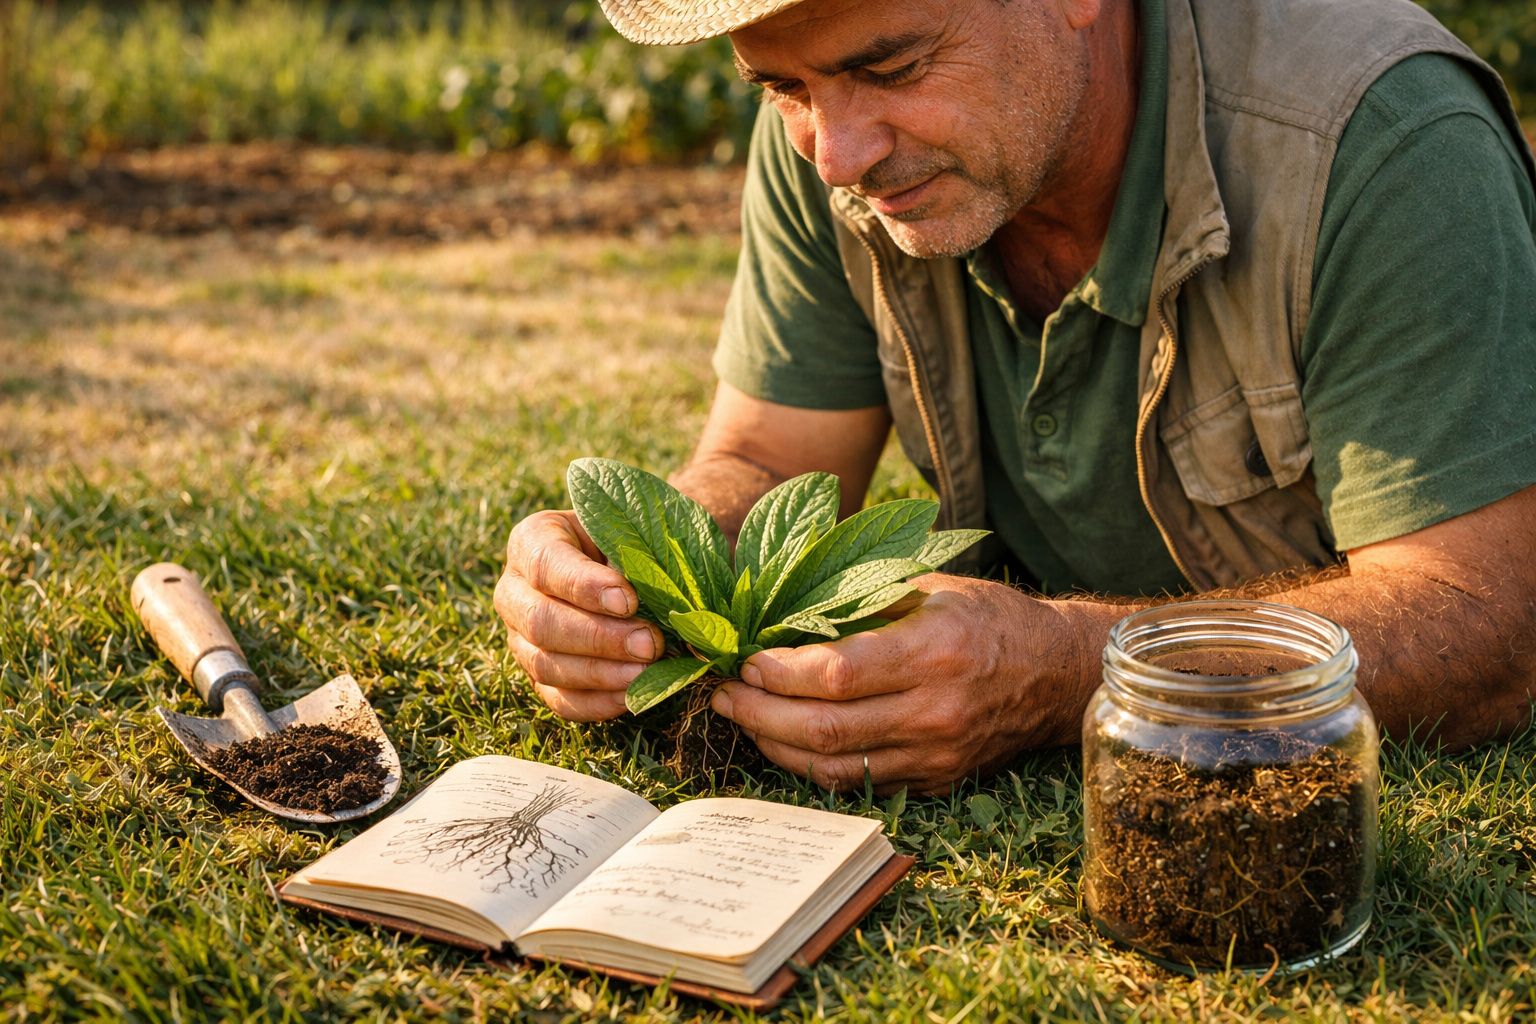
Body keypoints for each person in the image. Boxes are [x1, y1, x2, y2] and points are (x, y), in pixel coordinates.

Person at [495, 0, 1536, 794]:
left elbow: (1479, 621)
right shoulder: (830, 129)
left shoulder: (1382, 137)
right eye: (781, 89)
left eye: (893, 66)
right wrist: (637, 567)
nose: (839, 154)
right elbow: (767, 461)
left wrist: (1064, 668)